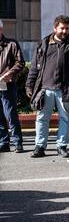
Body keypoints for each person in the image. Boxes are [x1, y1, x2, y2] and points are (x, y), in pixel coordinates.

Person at [26, 15, 69, 158]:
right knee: (42, 118)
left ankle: (61, 146)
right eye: (62, 28)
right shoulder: (44, 44)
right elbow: (34, 69)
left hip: (65, 89)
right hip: (45, 89)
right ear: (55, 28)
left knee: (66, 119)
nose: (65, 31)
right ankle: (40, 146)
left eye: (67, 28)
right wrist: (29, 86)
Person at [0, 19, 25, 153]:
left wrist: (9, 73)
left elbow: (20, 62)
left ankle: (17, 142)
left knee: (10, 114)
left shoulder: (11, 44)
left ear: (1, 29)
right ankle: (3, 142)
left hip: (7, 84)